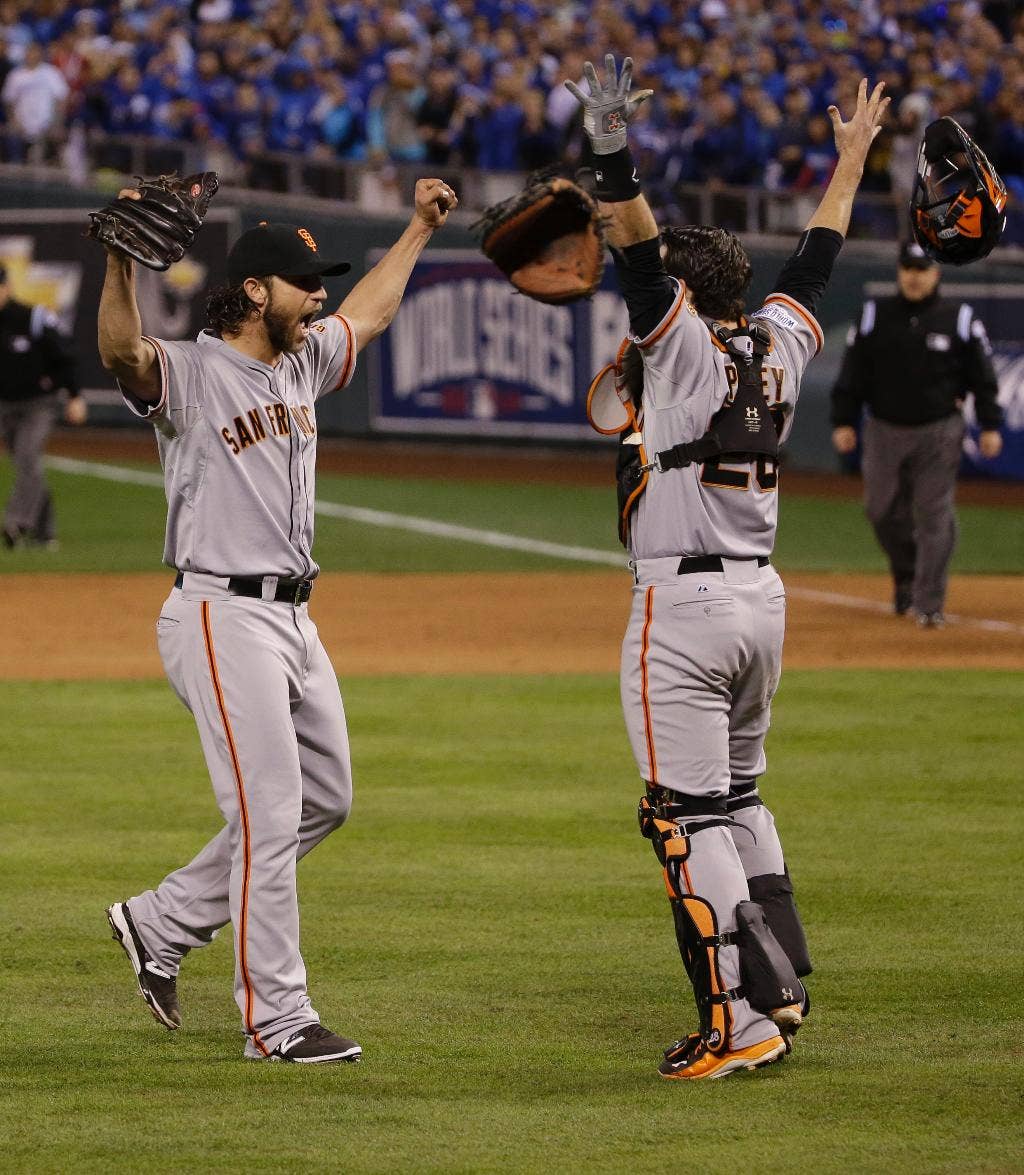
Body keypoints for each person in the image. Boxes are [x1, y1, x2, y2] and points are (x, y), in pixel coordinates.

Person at [566, 55, 888, 1080]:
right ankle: (778, 982)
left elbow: (639, 253)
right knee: (741, 796)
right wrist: (853, 157)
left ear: (684, 298)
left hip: (687, 606)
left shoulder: (684, 348)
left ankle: (736, 1023)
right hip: (762, 594)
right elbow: (819, 254)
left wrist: (611, 155)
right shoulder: (780, 341)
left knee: (681, 814)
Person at [98, 178, 458, 1064]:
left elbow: (366, 316)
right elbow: (122, 355)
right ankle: (276, 1017)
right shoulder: (192, 370)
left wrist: (414, 230)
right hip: (220, 612)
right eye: (306, 282)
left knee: (325, 797)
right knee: (267, 810)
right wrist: (116, 260)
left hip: (296, 619)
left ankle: (162, 919)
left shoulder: (298, 361)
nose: (321, 294)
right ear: (256, 291)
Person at [830, 241, 1003, 627]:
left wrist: (990, 424)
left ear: (935, 273)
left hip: (939, 430)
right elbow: (852, 371)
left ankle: (928, 602)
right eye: (907, 268)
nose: (913, 275)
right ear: (899, 271)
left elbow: (983, 376)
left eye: (921, 269)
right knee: (880, 510)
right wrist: (844, 419)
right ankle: (907, 575)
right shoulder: (876, 314)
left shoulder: (958, 318)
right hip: (883, 427)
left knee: (933, 514)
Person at [0, 265, 86, 549]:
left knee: (27, 457)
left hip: (38, 404)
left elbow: (63, 355)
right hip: (5, 406)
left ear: (6, 288)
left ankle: (16, 523)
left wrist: (74, 396)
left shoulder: (31, 317)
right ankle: (45, 532)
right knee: (29, 466)